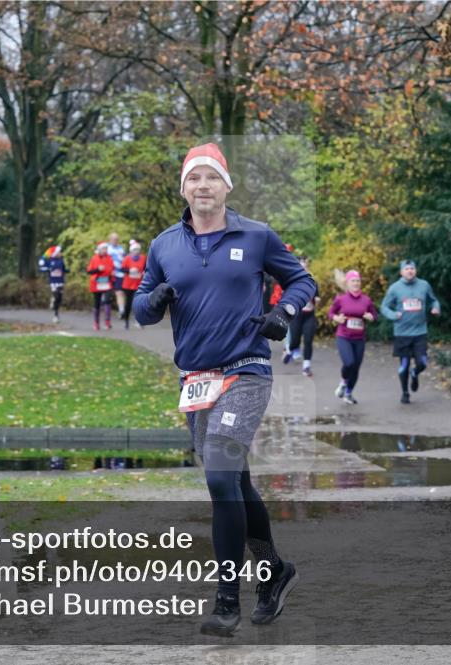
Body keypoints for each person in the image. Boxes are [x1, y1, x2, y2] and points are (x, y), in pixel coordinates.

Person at [133, 143, 315, 637]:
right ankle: (274, 571)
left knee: (218, 475)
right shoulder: (164, 245)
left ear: (226, 185)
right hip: (197, 381)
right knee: (234, 481)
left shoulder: (256, 235)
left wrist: (283, 313)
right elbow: (142, 309)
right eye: (194, 178)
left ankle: (227, 601)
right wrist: (155, 298)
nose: (203, 186)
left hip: (246, 370)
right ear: (184, 189)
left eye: (212, 177)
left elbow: (302, 281)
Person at [379, 259, 441, 404]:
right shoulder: (395, 288)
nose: (410, 271)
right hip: (402, 333)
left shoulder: (424, 285)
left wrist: (436, 308)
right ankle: (405, 393)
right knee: (404, 366)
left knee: (423, 362)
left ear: (415, 270)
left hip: (420, 331)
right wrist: (393, 315)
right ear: (401, 272)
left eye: (412, 268)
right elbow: (384, 307)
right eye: (406, 269)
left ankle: (415, 372)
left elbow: (434, 300)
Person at [328, 270, 377, 404]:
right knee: (349, 363)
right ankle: (343, 382)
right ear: (347, 283)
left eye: (358, 281)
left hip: (359, 338)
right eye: (353, 281)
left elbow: (374, 315)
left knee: (356, 367)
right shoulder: (341, 299)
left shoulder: (366, 300)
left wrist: (371, 317)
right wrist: (336, 318)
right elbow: (331, 313)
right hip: (344, 336)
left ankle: (348, 393)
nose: (356, 283)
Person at [282, 256, 319, 377]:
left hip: (310, 315)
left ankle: (306, 366)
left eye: (305, 267)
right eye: (301, 267)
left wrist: (317, 299)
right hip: (296, 316)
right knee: (295, 340)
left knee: (308, 340)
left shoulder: (313, 281)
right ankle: (289, 350)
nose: (304, 269)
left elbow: (317, 296)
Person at [87, 242, 115, 331]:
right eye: (103, 248)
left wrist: (112, 273)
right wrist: (98, 269)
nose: (105, 250)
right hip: (97, 283)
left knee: (107, 301)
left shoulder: (109, 258)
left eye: (106, 248)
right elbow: (89, 271)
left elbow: (112, 268)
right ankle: (96, 323)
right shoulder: (94, 258)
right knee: (97, 303)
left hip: (107, 283)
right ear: (99, 249)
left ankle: (107, 322)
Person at [120, 239, 146, 330]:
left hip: (138, 284)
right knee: (128, 303)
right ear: (131, 250)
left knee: (137, 303)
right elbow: (122, 269)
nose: (136, 251)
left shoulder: (143, 258)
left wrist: (144, 272)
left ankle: (138, 321)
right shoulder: (127, 258)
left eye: (138, 250)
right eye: (135, 250)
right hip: (128, 285)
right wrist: (129, 270)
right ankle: (126, 321)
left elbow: (146, 268)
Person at [38, 244, 67, 323]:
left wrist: (66, 270)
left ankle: (56, 313)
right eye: (59, 252)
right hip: (53, 282)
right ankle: (54, 309)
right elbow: (41, 268)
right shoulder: (49, 260)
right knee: (56, 294)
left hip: (60, 281)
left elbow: (63, 269)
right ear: (55, 253)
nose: (60, 253)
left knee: (59, 298)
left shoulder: (61, 260)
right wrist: (48, 269)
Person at [107, 232, 127, 318]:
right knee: (106, 293)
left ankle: (122, 311)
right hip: (109, 274)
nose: (115, 241)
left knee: (120, 292)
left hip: (120, 274)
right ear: (110, 239)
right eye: (114, 239)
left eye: (117, 239)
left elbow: (125, 260)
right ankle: (106, 312)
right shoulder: (106, 248)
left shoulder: (121, 249)